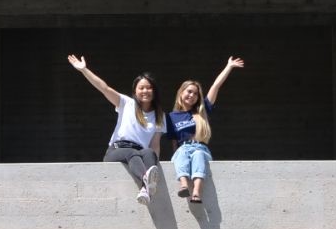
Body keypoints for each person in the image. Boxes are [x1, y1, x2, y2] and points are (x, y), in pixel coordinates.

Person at [67, 55, 163, 203]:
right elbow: (104, 88)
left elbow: (155, 145)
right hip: (116, 151)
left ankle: (146, 189)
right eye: (141, 88)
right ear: (135, 91)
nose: (145, 91)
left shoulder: (159, 116)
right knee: (132, 152)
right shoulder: (126, 103)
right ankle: (146, 180)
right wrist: (84, 70)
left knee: (149, 152)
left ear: (154, 91)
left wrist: (155, 163)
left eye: (149, 88)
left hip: (141, 153)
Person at [167, 57, 243, 206]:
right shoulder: (171, 117)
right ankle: (183, 185)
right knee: (181, 153)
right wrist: (176, 156)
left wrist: (229, 66)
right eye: (189, 91)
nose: (192, 95)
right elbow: (174, 142)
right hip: (183, 148)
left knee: (199, 155)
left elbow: (216, 86)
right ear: (181, 92)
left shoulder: (202, 111)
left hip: (200, 147)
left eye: (195, 94)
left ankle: (196, 192)